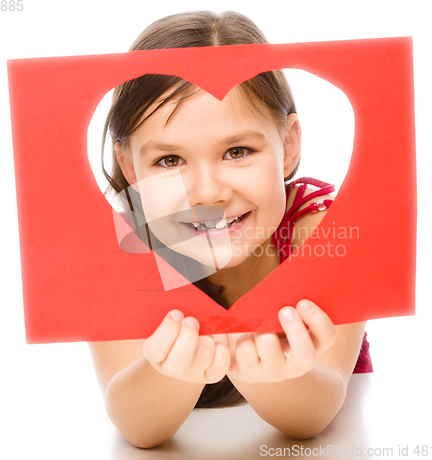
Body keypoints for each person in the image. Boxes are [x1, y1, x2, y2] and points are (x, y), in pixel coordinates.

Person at [88, 10, 371, 449]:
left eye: (237, 151)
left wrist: (273, 373)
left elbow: (315, 413)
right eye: (169, 160)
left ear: (287, 147)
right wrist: (166, 373)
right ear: (130, 167)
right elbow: (138, 427)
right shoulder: (127, 244)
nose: (207, 192)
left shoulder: (320, 228)